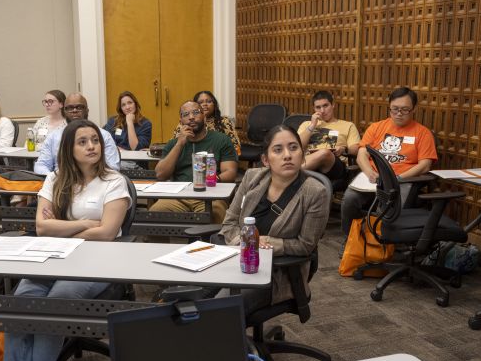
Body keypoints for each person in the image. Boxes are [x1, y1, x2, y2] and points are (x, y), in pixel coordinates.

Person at [1, 120, 131, 361]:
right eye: (82, 142)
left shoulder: (114, 181)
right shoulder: (55, 178)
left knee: (55, 305)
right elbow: (41, 227)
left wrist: (62, 227)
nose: (92, 146)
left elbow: (106, 233)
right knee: (20, 303)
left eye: (94, 140)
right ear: (69, 149)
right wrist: (84, 224)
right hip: (53, 255)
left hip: (97, 260)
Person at [218, 125, 330, 313]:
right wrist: (246, 244)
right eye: (278, 150)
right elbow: (229, 222)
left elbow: (306, 245)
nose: (287, 155)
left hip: (278, 274)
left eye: (294, 148)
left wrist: (266, 242)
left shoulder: (315, 193)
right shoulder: (252, 178)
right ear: (265, 159)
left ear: (302, 155)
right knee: (189, 296)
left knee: (218, 309)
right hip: (236, 261)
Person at [341, 87, 437, 237]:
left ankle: (382, 246)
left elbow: (425, 165)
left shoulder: (423, 133)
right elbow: (361, 155)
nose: (399, 113)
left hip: (401, 181)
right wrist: (369, 172)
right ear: (389, 107)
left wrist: (398, 179)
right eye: (395, 109)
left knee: (386, 211)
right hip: (373, 179)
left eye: (405, 110)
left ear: (414, 109)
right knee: (349, 199)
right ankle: (351, 241)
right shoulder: (377, 127)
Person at [151, 100, 238, 223]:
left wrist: (213, 179)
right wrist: (180, 144)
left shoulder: (221, 140)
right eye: (186, 114)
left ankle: (212, 242)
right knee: (155, 213)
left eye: (196, 112)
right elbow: (160, 174)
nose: (191, 117)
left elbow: (230, 172)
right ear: (181, 121)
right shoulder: (173, 144)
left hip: (211, 195)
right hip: (179, 196)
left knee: (216, 212)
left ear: (204, 117)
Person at [34, 92, 121, 174]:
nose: (74, 111)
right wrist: (54, 178)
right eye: (70, 108)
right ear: (64, 112)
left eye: (79, 107)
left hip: (95, 183)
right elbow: (41, 165)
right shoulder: (53, 137)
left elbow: (113, 167)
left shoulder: (104, 135)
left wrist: (89, 178)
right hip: (62, 183)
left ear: (87, 110)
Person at [297, 90, 360, 181]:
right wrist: (312, 126)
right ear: (314, 109)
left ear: (333, 105)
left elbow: (356, 149)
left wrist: (343, 149)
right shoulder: (307, 125)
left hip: (334, 166)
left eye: (325, 106)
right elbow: (298, 146)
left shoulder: (348, 125)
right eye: (318, 107)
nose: (322, 111)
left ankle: (288, 174)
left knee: (325, 153)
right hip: (308, 164)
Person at [172, 91, 241, 155]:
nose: (205, 104)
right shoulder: (186, 122)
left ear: (214, 105)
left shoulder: (224, 121)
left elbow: (235, 145)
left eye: (209, 101)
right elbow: (174, 145)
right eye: (201, 102)